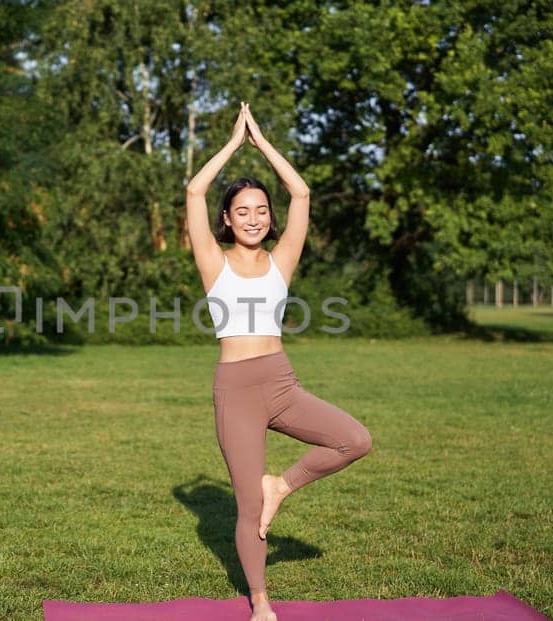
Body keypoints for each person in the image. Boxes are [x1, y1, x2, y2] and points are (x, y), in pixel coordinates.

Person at [185, 103, 374, 621]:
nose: (253, 218)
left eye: (261, 210)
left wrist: (262, 142)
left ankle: (281, 486)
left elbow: (303, 193)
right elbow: (194, 191)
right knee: (248, 509)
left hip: (281, 382)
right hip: (236, 391)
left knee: (355, 439)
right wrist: (231, 143)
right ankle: (261, 602)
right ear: (226, 219)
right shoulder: (213, 261)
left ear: (271, 219)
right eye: (242, 210)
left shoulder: (281, 260)